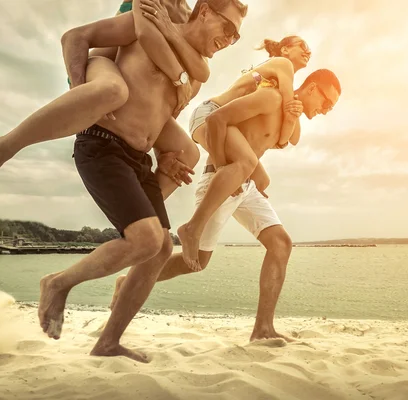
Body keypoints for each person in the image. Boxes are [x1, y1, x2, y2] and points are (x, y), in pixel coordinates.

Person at [35, 0, 248, 360]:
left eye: (236, 35)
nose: (229, 38)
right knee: (148, 239)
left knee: (160, 247)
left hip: (136, 150)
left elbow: (163, 101)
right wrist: (79, 92)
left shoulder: (185, 30)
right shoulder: (148, 8)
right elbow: (93, 43)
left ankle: (107, 342)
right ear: (208, 12)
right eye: (227, 27)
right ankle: (58, 283)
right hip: (102, 133)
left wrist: (162, 146)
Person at [111, 68, 342, 342]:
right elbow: (217, 120)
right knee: (197, 262)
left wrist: (260, 175)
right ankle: (128, 282)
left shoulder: (289, 113)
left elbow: (288, 138)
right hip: (222, 180)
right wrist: (223, 167)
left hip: (247, 185)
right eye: (326, 102)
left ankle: (263, 330)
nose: (326, 110)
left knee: (281, 243)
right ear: (313, 88)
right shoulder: (270, 97)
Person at [0, 0, 211, 201]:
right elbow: (130, 37)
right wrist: (79, 90)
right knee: (112, 90)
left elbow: (161, 99)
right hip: (101, 68)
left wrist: (161, 152)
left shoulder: (190, 18)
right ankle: (3, 148)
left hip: (135, 94)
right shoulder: (154, 4)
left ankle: (146, 214)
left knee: (187, 152)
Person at [177, 35, 313, 269]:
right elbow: (286, 134)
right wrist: (222, 167)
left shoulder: (276, 79)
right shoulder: (284, 65)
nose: (308, 52)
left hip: (223, 123)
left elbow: (288, 135)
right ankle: (192, 228)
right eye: (304, 46)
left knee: (261, 179)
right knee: (246, 163)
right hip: (210, 114)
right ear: (285, 48)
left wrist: (292, 115)